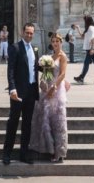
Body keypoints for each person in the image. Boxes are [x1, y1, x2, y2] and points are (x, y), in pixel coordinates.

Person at [2, 22, 39, 165]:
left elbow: (36, 68)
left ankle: (24, 154)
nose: (29, 35)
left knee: (27, 124)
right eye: (27, 32)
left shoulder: (35, 49)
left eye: (31, 33)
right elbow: (10, 70)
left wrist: (51, 67)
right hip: (18, 93)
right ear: (22, 32)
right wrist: (12, 88)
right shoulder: (15, 48)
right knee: (13, 123)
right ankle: (7, 154)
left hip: (31, 91)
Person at [29, 32, 68, 163]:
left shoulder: (63, 57)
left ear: (61, 42)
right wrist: (43, 83)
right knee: (46, 119)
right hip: (48, 90)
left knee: (59, 121)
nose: (55, 43)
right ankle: (48, 148)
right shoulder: (49, 57)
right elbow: (47, 75)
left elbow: (62, 74)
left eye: (57, 41)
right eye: (53, 41)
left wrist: (54, 87)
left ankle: (59, 152)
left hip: (57, 90)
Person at [73, 15, 94, 84]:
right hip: (91, 49)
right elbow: (82, 36)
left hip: (92, 49)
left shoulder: (91, 28)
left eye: (85, 20)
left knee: (88, 63)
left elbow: (93, 38)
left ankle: (81, 77)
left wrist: (92, 49)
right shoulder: (89, 28)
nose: (84, 22)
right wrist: (78, 28)